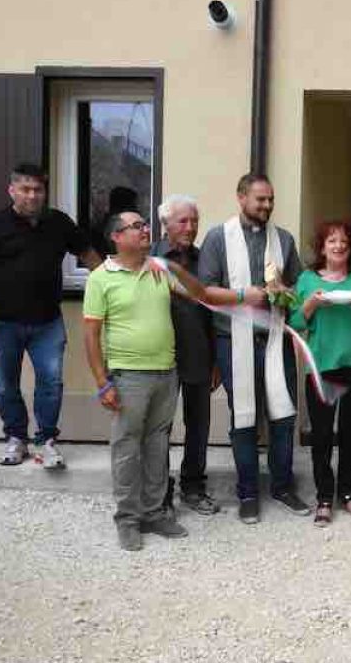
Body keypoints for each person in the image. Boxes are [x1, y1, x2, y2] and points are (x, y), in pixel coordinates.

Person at [83, 209, 233, 551]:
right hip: (127, 377)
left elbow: (201, 295)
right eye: (135, 227)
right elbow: (91, 336)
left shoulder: (159, 270)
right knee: (126, 449)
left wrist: (242, 296)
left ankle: (153, 513)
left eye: (145, 225)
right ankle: (127, 519)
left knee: (156, 447)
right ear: (116, 237)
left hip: (166, 372)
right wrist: (102, 382)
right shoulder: (100, 278)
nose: (144, 230)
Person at [0, 163, 101, 468]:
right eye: (25, 189)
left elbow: (89, 257)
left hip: (47, 322)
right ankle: (15, 439)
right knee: (5, 384)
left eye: (38, 189)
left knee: (51, 382)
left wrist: (111, 292)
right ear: (12, 190)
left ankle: (46, 441)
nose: (32, 195)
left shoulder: (59, 223)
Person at [198, 173, 308, 525]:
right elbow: (205, 291)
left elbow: (298, 287)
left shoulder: (284, 240)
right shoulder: (218, 238)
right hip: (235, 341)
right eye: (260, 199)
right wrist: (245, 295)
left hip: (275, 338)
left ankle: (282, 485)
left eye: (271, 199)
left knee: (283, 414)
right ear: (241, 197)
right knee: (244, 416)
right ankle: (247, 491)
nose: (267, 206)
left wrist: (286, 294)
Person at [290, 221, 351, 527]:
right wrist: (311, 303)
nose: (339, 246)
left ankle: (346, 492)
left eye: (343, 241)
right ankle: (324, 497)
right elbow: (295, 321)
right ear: (322, 247)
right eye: (332, 241)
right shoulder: (306, 279)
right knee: (321, 434)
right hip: (322, 366)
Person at [152, 195, 220, 515]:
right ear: (165, 225)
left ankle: (193, 487)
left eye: (195, 221)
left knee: (198, 424)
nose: (191, 228)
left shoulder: (206, 259)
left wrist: (217, 359)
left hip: (198, 354)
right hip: (158, 358)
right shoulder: (149, 258)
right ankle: (160, 493)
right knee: (159, 427)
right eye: (183, 221)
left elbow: (215, 311)